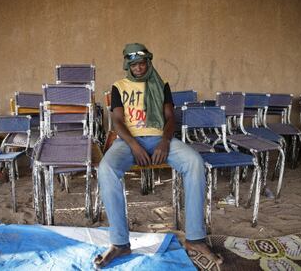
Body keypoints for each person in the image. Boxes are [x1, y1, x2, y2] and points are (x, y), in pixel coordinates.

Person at [94, 43, 223, 268]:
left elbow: (170, 117)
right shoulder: (119, 86)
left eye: (142, 63)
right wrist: (134, 145)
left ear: (148, 62)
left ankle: (195, 238)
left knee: (194, 162)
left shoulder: (161, 85)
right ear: (127, 65)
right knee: (106, 168)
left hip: (159, 138)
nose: (139, 68)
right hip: (128, 142)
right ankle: (119, 243)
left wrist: (164, 142)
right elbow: (117, 121)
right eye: (133, 64)